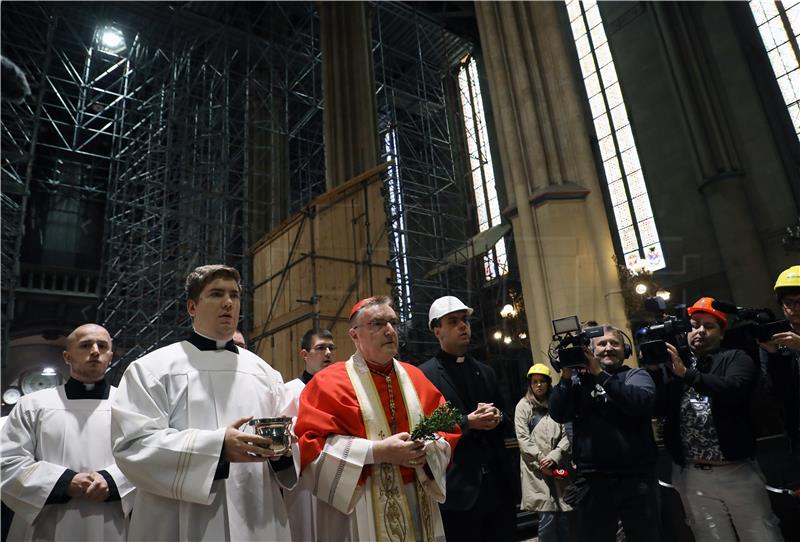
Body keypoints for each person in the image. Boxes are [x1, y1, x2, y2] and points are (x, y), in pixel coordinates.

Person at [110, 264, 297, 541]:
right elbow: (132, 446)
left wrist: (284, 453)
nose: (228, 303)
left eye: (234, 295)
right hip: (182, 517)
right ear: (192, 307)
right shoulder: (152, 369)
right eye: (216, 294)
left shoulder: (265, 373)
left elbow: (290, 444)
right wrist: (218, 448)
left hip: (256, 511)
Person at [294, 296, 461, 541]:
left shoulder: (416, 377)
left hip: (418, 495)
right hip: (361, 505)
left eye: (393, 322)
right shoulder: (328, 383)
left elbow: (449, 429)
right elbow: (309, 448)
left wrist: (427, 450)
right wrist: (376, 452)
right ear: (354, 335)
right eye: (377, 323)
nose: (390, 330)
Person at [649, 297, 783, 542]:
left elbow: (734, 388)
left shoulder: (735, 357)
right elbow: (658, 408)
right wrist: (656, 373)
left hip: (736, 469)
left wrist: (687, 374)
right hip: (693, 472)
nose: (699, 331)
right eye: (693, 325)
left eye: (708, 326)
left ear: (722, 333)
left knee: (761, 535)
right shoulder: (678, 365)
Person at [1, 324, 135, 541]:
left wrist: (114, 481)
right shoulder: (32, 405)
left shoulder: (132, 405)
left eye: (102, 346)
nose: (94, 351)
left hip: (112, 521)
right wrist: (62, 482)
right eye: (85, 345)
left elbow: (149, 458)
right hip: (46, 521)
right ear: (67, 356)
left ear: (110, 356)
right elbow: (7, 461)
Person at [549, 323, 660, 542]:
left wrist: (599, 374)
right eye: (602, 344)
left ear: (625, 350)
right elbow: (558, 413)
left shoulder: (636, 375)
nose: (608, 347)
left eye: (614, 343)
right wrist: (566, 376)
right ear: (591, 351)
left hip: (636, 478)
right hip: (594, 480)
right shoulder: (576, 383)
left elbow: (639, 403)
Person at [417, 295, 515, 542]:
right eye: (453, 321)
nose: (463, 326)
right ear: (437, 330)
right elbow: (423, 430)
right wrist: (466, 422)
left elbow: (508, 420)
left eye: (465, 320)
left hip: (498, 488)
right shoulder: (423, 376)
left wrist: (497, 416)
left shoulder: (486, 372)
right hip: (458, 491)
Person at [284, 328, 336, 542]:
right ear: (304, 354)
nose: (328, 353)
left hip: (334, 476)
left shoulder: (338, 391)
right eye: (321, 348)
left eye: (331, 348)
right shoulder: (290, 391)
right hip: (302, 481)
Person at [515, 363, 572, 542]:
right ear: (530, 384)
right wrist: (542, 460)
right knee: (547, 517)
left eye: (542, 381)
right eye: (535, 381)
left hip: (558, 466)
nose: (538, 385)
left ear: (548, 383)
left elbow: (567, 433)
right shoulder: (523, 406)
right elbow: (523, 439)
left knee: (564, 516)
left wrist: (555, 457)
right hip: (536, 471)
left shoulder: (557, 403)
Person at [760, 265, 800, 457]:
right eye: (789, 303)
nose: (795, 308)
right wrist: (772, 354)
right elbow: (776, 390)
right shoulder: (777, 337)